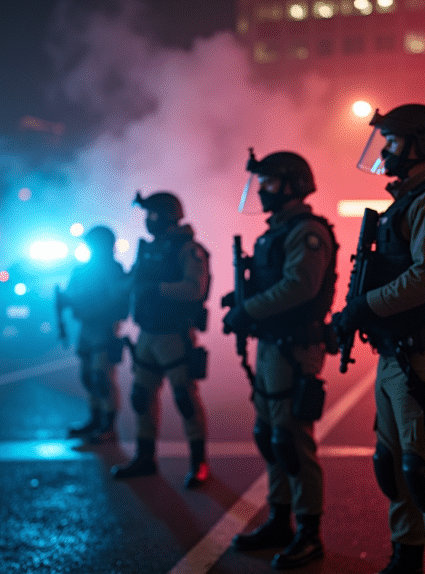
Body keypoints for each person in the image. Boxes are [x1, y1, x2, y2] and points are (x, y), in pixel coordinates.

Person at [332, 104, 425, 574]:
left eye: (393, 142)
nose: (386, 152)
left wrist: (364, 306)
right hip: (397, 353)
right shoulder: (408, 200)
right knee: (394, 466)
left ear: (421, 144)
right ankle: (406, 556)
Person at [223, 150, 338, 570]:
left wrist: (248, 310)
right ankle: (280, 520)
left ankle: (309, 532)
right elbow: (274, 281)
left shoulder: (307, 231)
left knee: (293, 440)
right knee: (271, 437)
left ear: (292, 184)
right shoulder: (278, 231)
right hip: (273, 345)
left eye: (270, 182)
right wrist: (242, 299)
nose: (263, 190)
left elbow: (299, 286)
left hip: (295, 347)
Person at [112, 191, 212, 489]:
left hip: (174, 335)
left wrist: (158, 289)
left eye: (152, 214)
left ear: (167, 215)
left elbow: (195, 288)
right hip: (147, 333)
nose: (148, 220)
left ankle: (199, 462)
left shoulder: (188, 249)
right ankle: (145, 457)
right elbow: (130, 283)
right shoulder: (148, 249)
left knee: (185, 398)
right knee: (141, 397)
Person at [59, 225, 131, 444]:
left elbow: (118, 299)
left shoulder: (113, 270)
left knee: (102, 377)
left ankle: (107, 426)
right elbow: (70, 294)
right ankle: (96, 420)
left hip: (104, 328)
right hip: (87, 327)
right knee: (88, 377)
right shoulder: (82, 270)